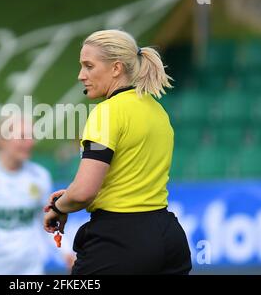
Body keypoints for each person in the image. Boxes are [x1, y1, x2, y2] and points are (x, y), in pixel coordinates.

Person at [43, 29, 192, 275]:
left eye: (88, 66)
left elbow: (84, 192)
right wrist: (69, 196)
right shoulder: (157, 111)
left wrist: (59, 207)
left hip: (120, 241)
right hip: (169, 238)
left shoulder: (106, 113)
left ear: (116, 68)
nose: (81, 75)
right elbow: (122, 174)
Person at [0, 116, 74, 275]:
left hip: (30, 269)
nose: (30, 142)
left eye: (32, 136)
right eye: (22, 137)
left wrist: (66, 253)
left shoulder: (40, 176)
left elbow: (47, 222)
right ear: (2, 140)